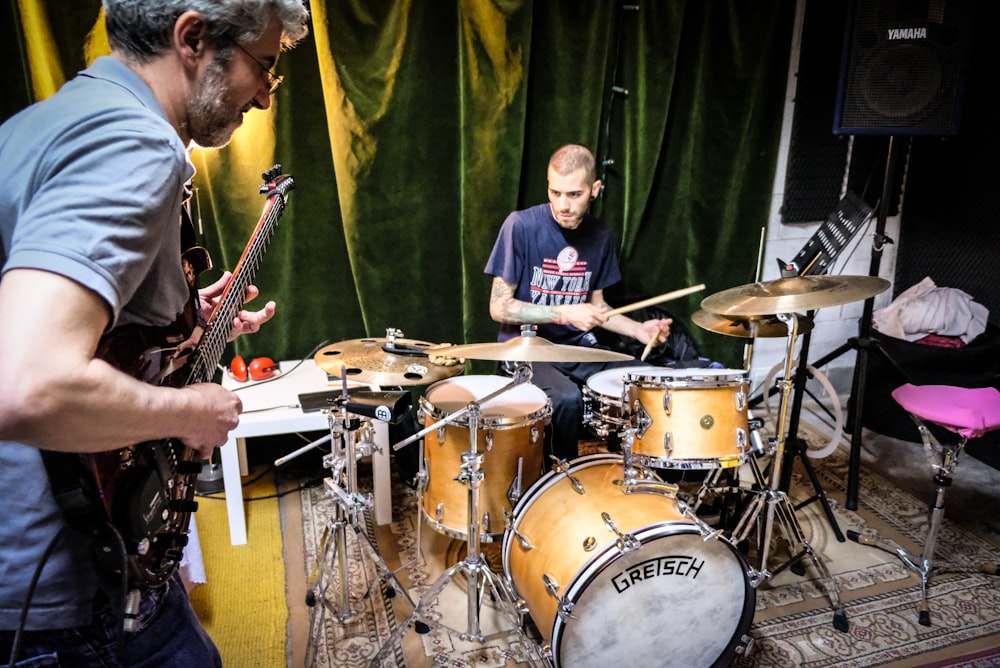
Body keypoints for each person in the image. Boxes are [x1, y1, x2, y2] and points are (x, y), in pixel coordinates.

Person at [0, 1, 309, 666]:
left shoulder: (45, 124)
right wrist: (189, 408)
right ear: (193, 37)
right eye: (265, 67)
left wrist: (181, 317)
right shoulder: (133, 145)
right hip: (64, 591)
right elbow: (25, 387)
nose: (263, 96)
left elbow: (58, 317)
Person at [485, 143, 672, 463]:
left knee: (646, 382)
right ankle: (562, 483)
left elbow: (599, 309)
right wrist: (562, 313)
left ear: (594, 189)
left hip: (578, 347)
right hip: (525, 348)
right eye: (555, 192)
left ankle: (637, 478)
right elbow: (499, 307)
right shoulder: (521, 225)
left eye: (574, 195)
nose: (563, 205)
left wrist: (639, 330)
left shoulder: (600, 235)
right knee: (567, 400)